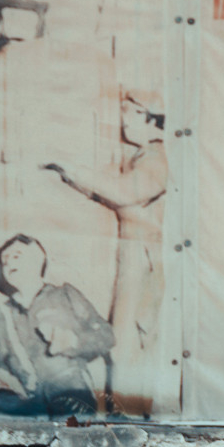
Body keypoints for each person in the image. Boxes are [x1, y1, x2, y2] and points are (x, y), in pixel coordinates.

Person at [50, 92, 168, 414]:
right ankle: (124, 413)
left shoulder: (157, 157)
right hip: (136, 255)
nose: (123, 121)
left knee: (129, 344)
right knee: (124, 344)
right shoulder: (144, 157)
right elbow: (117, 198)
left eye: (129, 113)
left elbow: (124, 192)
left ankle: (129, 416)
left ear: (148, 116)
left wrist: (75, 170)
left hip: (146, 259)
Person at [0, 234, 115, 416]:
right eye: (4, 260)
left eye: (16, 256)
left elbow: (106, 336)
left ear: (37, 259)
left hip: (70, 394)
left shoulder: (65, 295)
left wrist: (73, 341)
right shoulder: (1, 315)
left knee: (75, 431)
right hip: (21, 399)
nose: (9, 262)